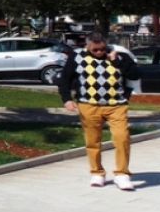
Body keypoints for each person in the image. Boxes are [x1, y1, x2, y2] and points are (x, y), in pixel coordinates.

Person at [58, 31, 142, 190]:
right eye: (95, 50)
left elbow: (135, 75)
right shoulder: (76, 57)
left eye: (102, 49)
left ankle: (122, 174)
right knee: (93, 141)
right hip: (88, 105)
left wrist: (117, 61)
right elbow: (65, 79)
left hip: (116, 105)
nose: (99, 53)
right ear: (87, 46)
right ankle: (97, 172)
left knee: (122, 137)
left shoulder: (120, 55)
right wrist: (67, 99)